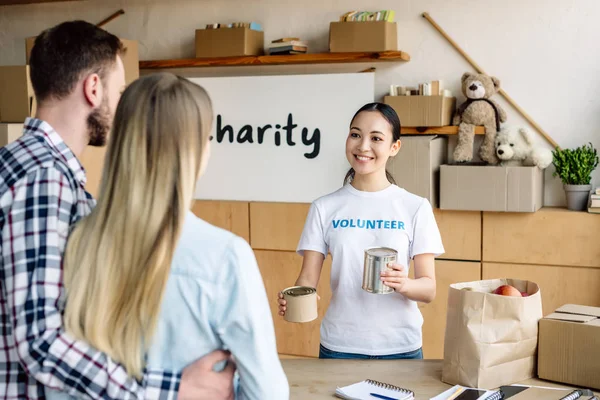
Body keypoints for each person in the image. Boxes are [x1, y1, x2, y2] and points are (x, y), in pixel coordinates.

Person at [0, 20, 235, 399]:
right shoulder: (45, 179)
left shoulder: (25, 165)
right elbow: (41, 342)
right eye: (120, 90)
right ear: (93, 88)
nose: (124, 103)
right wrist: (168, 391)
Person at [47, 72, 289, 400]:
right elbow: (267, 393)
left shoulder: (74, 242)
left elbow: (60, 385)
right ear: (194, 152)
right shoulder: (226, 257)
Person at [277, 102, 445, 359]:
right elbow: (307, 279)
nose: (363, 146)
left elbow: (429, 290)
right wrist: (295, 298)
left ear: (394, 147)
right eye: (355, 134)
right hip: (339, 346)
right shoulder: (324, 207)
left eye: (376, 138)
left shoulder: (415, 207)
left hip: (401, 347)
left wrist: (404, 284)